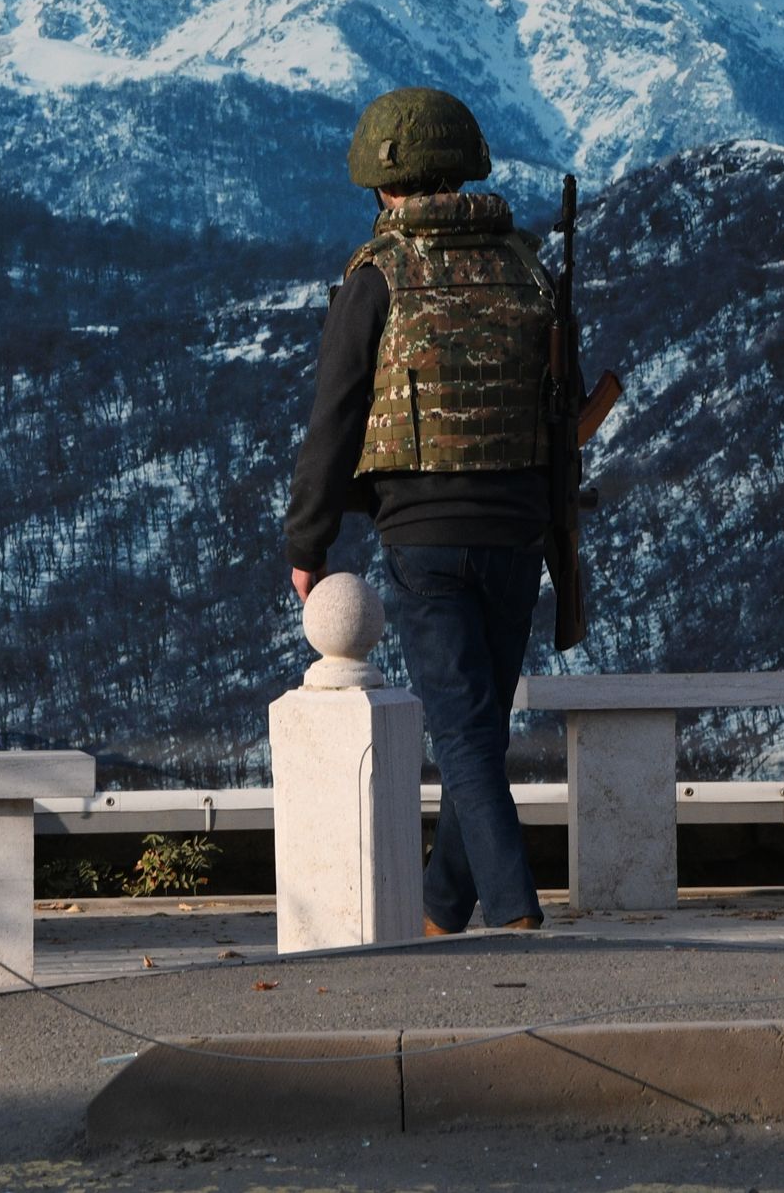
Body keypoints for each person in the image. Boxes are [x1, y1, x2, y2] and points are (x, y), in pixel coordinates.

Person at [283, 86, 559, 936]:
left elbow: (335, 413)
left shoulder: (379, 275)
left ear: (382, 184)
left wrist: (308, 541)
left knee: (465, 734)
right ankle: (441, 910)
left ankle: (514, 913)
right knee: (481, 728)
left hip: (422, 532)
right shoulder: (527, 266)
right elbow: (559, 401)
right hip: (519, 525)